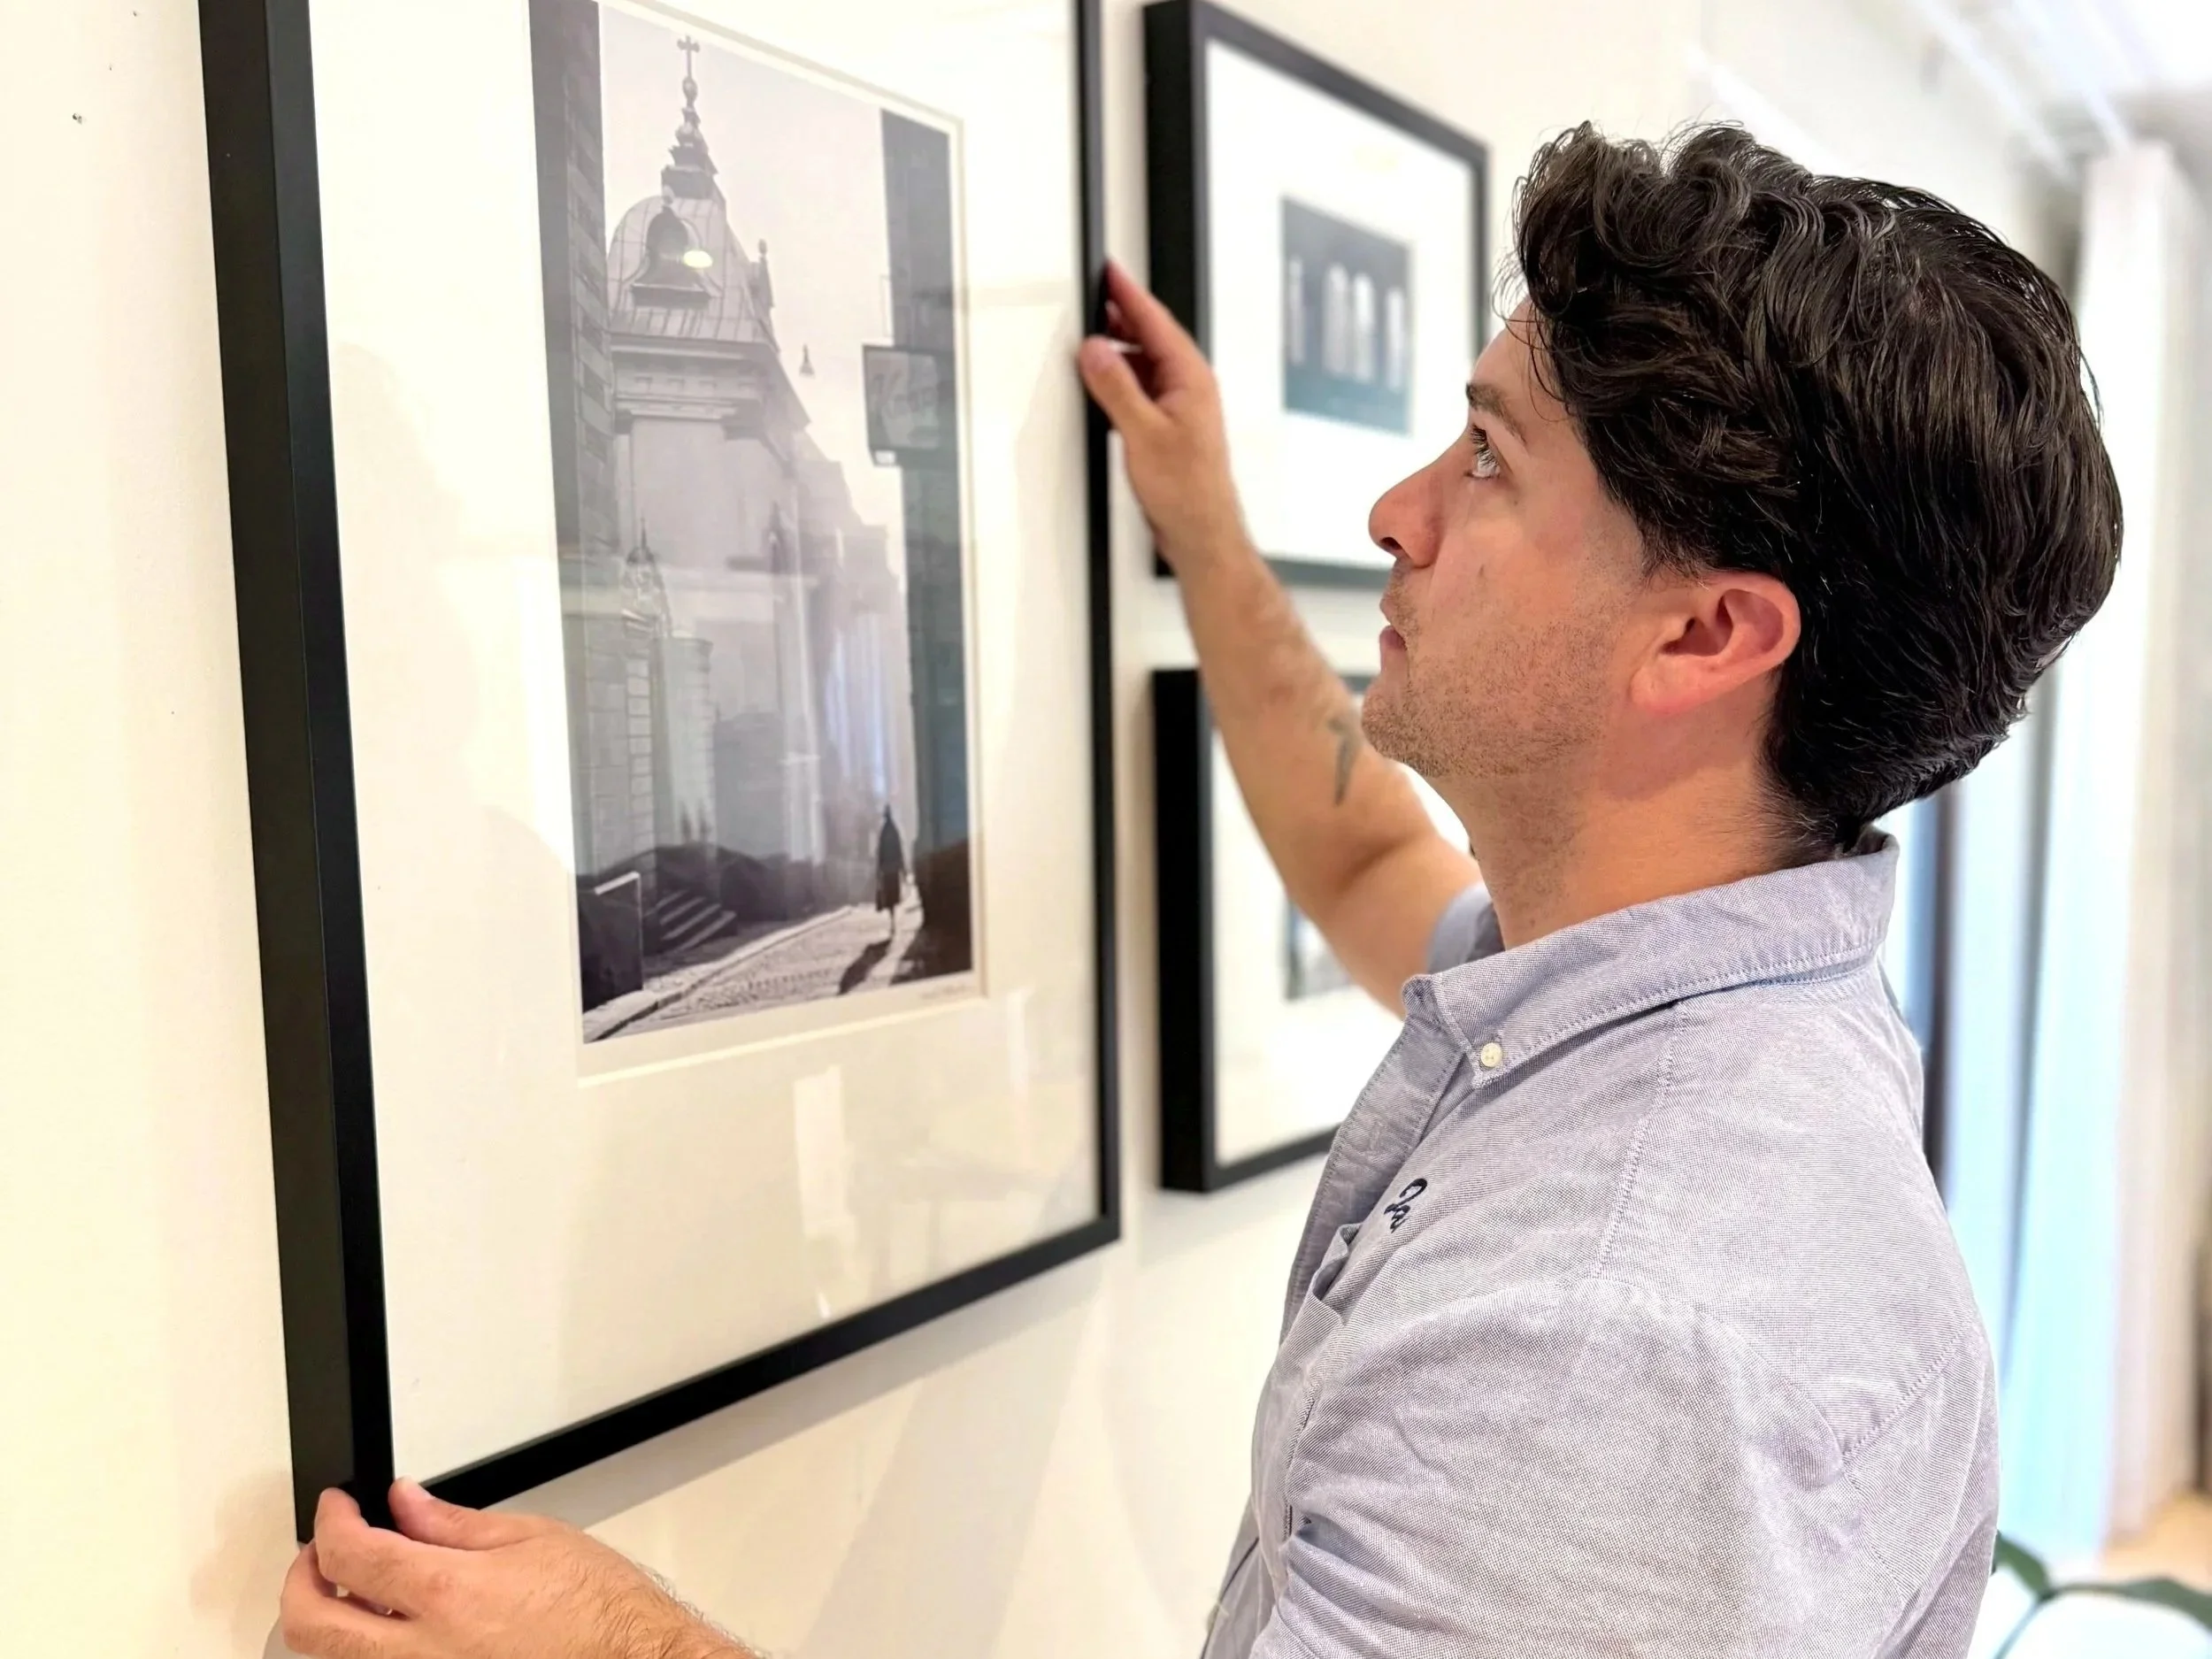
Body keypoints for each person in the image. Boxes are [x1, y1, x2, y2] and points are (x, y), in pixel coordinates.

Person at [276, 123, 2120, 1659]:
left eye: (1488, 459)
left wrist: (627, 1645)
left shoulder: (1614, 1332)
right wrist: (1205, 527)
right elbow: (1365, 858)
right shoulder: (1688, 998)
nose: (1399, 512)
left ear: (1704, 634)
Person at [874, 804, 905, 933]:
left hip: (887, 870)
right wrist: (902, 867)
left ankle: (892, 920)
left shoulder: (884, 832)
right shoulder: (894, 830)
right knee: (893, 895)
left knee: (890, 896)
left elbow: (880, 852)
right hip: (893, 869)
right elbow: (899, 849)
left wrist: (879, 869)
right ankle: (893, 920)